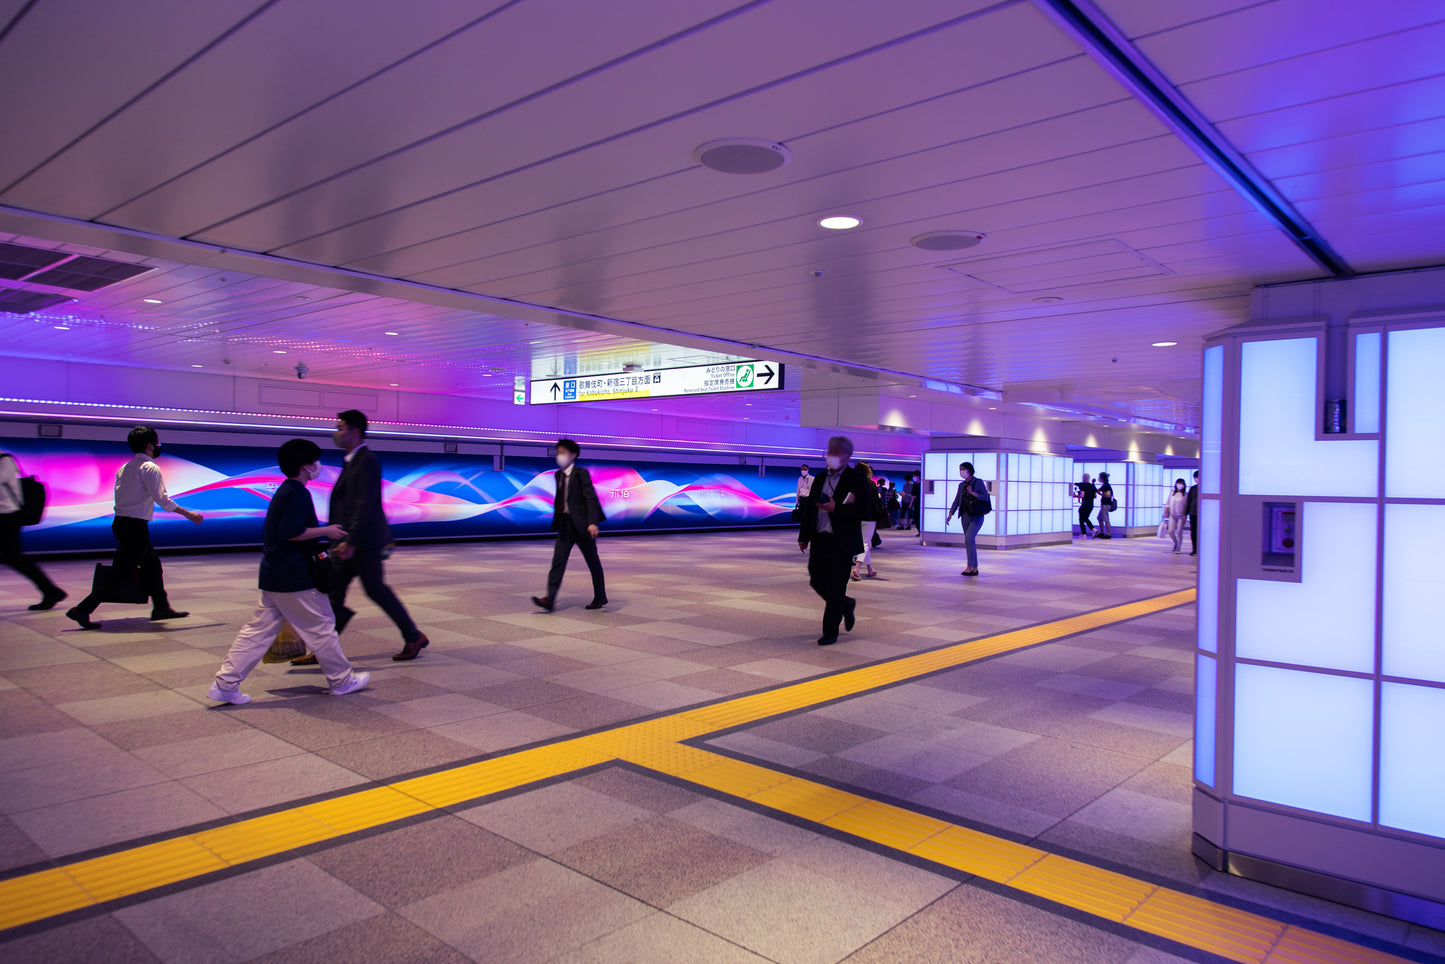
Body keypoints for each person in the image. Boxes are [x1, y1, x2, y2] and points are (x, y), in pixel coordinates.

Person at [208, 440, 371, 704]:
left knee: (258, 631)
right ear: (305, 465)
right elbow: (291, 532)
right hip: (294, 575)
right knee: (321, 626)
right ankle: (341, 680)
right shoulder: (297, 492)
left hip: (275, 573)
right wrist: (327, 531)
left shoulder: (286, 490)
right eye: (315, 460)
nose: (318, 465)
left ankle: (226, 683)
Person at [301, 410, 429, 662]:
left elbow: (365, 504)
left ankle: (414, 636)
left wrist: (351, 540)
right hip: (349, 542)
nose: (336, 433)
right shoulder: (351, 461)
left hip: (362, 543)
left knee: (375, 590)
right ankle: (323, 649)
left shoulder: (367, 460)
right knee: (335, 593)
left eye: (340, 428)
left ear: (355, 431)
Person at [66, 426, 202, 629]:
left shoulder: (125, 468)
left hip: (123, 523)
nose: (157, 446)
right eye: (156, 443)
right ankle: (82, 610)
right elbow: (162, 499)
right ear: (150, 445)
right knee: (121, 574)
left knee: (152, 567)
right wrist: (189, 514)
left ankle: (161, 607)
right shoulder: (150, 467)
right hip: (134, 526)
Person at [799, 436, 866, 645]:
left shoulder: (856, 479)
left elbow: (866, 509)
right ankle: (846, 604)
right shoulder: (820, 478)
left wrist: (837, 507)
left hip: (842, 541)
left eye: (835, 452)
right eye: (829, 451)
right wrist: (804, 536)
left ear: (847, 456)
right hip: (820, 539)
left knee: (836, 586)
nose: (830, 455)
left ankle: (830, 631)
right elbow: (810, 508)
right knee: (817, 580)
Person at [532, 438, 607, 612]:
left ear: (573, 455)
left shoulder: (581, 473)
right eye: (558, 452)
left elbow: (590, 498)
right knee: (558, 561)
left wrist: (592, 523)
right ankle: (550, 599)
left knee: (593, 562)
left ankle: (600, 597)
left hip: (583, 526)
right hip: (565, 525)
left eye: (563, 452)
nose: (559, 456)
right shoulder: (558, 474)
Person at [0, 449, 65, 611]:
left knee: (13, 557)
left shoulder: (4, 459)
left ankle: (50, 590)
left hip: (6, 516)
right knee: (13, 557)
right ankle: (50, 591)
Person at [946, 462, 991, 576]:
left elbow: (985, 497)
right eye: (960, 469)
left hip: (976, 515)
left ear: (969, 470)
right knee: (969, 541)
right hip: (965, 514)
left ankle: (969, 566)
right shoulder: (961, 485)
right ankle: (974, 567)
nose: (961, 472)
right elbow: (957, 500)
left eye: (963, 469)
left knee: (969, 538)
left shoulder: (978, 482)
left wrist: (973, 493)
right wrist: (951, 513)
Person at [851, 462, 881, 580]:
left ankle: (869, 569)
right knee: (866, 542)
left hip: (856, 517)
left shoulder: (853, 484)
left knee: (864, 542)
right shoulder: (871, 484)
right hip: (869, 517)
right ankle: (857, 568)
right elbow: (875, 503)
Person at [1164, 478, 1189, 553]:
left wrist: (1185, 514)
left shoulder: (1185, 495)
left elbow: (1186, 506)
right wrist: (1165, 511)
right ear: (1175, 484)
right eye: (1178, 483)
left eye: (1181, 484)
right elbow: (1168, 503)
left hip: (1181, 515)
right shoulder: (1172, 493)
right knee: (1170, 531)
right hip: (1172, 514)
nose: (1180, 485)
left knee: (1179, 532)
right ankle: (1175, 542)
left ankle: (1178, 548)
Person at [1073, 473, 1097, 539]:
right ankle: (1093, 529)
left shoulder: (1083, 486)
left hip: (1084, 505)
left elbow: (1082, 495)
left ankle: (1084, 534)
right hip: (1091, 505)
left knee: (1081, 519)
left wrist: (1075, 496)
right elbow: (1095, 496)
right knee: (1085, 518)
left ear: (1083, 478)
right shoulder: (1092, 486)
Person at [1096, 472, 1115, 539]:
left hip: (1106, 504)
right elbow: (1098, 490)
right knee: (1099, 518)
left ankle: (1108, 534)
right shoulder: (1105, 485)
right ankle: (1102, 532)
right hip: (1105, 504)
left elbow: (1108, 495)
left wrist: (1101, 494)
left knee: (1106, 519)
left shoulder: (1106, 486)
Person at [1186, 470, 1200, 556]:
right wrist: (1186, 513)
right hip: (1193, 513)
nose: (1197, 479)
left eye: (1198, 477)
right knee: (1193, 532)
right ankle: (1194, 549)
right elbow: (1189, 501)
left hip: (1203, 514)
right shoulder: (1193, 488)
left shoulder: (1207, 488)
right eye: (1195, 478)